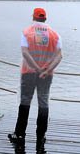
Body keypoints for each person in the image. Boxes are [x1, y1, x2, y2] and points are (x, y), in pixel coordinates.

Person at [9, 8, 63, 146]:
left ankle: (19, 133)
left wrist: (36, 68)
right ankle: (41, 135)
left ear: (33, 17)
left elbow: (25, 53)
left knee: (25, 100)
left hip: (28, 72)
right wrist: (47, 70)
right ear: (45, 18)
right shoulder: (54, 34)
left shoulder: (27, 32)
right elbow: (59, 56)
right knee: (43, 101)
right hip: (47, 74)